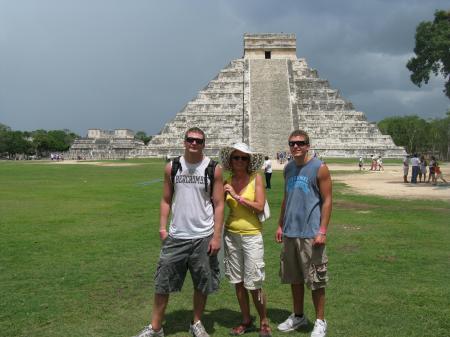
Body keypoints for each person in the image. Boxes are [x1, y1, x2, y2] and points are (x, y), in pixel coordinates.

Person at [133, 127, 224, 337]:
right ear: (184, 142)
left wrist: (217, 236)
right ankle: (156, 327)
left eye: (198, 141)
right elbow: (166, 199)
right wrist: (162, 228)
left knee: (202, 282)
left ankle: (197, 322)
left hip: (203, 235)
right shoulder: (172, 167)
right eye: (190, 139)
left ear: (204, 144)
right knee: (162, 282)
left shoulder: (213, 168)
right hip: (177, 235)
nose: (194, 143)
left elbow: (219, 204)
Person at [275, 130, 332, 337]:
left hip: (310, 233)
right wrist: (281, 224)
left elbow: (327, 201)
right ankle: (298, 316)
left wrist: (322, 230)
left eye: (300, 143)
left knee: (316, 279)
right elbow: (286, 197)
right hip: (291, 232)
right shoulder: (289, 168)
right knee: (295, 278)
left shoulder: (319, 167)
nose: (296, 146)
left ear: (308, 145)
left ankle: (320, 321)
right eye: (292, 143)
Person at [219, 143, 272, 337]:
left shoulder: (256, 179)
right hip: (231, 236)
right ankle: (246, 320)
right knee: (238, 282)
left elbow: (259, 206)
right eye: (236, 158)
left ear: (249, 161)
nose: (240, 161)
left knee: (254, 283)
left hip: (251, 236)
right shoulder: (226, 181)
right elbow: (216, 205)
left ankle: (264, 320)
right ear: (230, 161)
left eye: (244, 158)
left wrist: (236, 196)